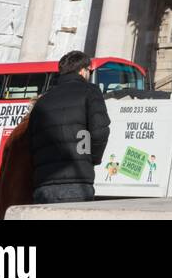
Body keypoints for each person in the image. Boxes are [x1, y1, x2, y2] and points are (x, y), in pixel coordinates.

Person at [26, 51, 110, 204]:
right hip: (77, 179)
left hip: (44, 183)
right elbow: (100, 132)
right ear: (84, 71)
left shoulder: (42, 101)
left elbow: (30, 142)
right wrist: (92, 159)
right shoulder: (90, 91)